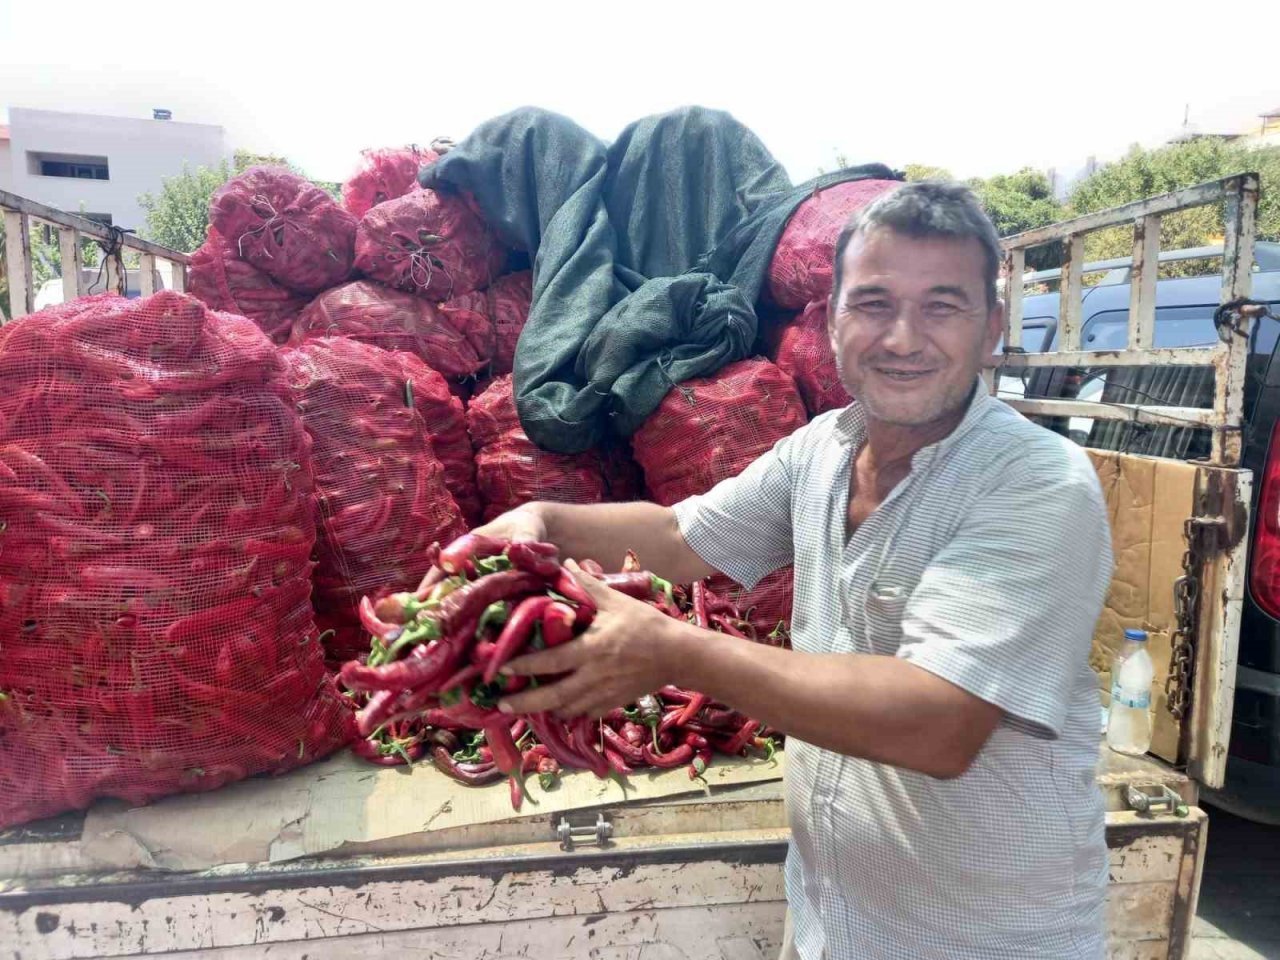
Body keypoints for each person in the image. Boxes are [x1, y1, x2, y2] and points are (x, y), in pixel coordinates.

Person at [480, 181, 1114, 959]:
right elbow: (681, 537)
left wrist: (677, 651)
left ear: (993, 331)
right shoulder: (823, 450)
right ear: (829, 322)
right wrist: (547, 521)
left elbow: (941, 721)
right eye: (873, 303)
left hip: (982, 938)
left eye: (943, 306)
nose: (904, 337)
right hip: (832, 920)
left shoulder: (1037, 483)